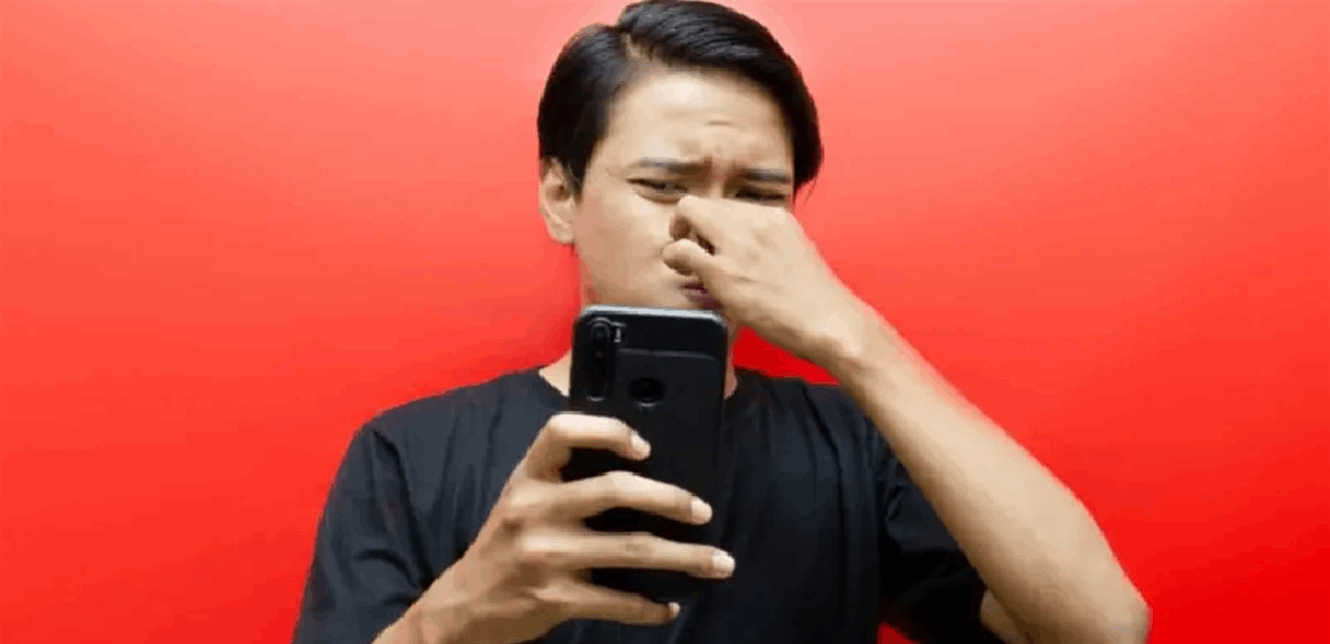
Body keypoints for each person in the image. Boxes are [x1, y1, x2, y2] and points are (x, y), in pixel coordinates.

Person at [292, 2, 1150, 643]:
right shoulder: (409, 453)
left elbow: (1105, 629)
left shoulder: (857, 446)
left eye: (758, 195)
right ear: (561, 196)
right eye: (663, 186)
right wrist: (457, 617)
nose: (708, 227)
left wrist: (852, 338)